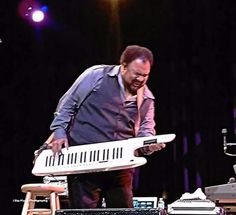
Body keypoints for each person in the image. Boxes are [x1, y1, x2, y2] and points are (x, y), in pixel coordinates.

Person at [49, 45, 166, 208]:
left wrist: (149, 145)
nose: (140, 79)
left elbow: (145, 133)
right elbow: (67, 105)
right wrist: (60, 133)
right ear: (123, 66)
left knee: (123, 211)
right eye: (137, 74)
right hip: (84, 162)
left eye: (145, 75)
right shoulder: (96, 75)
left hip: (120, 168)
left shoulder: (146, 98)